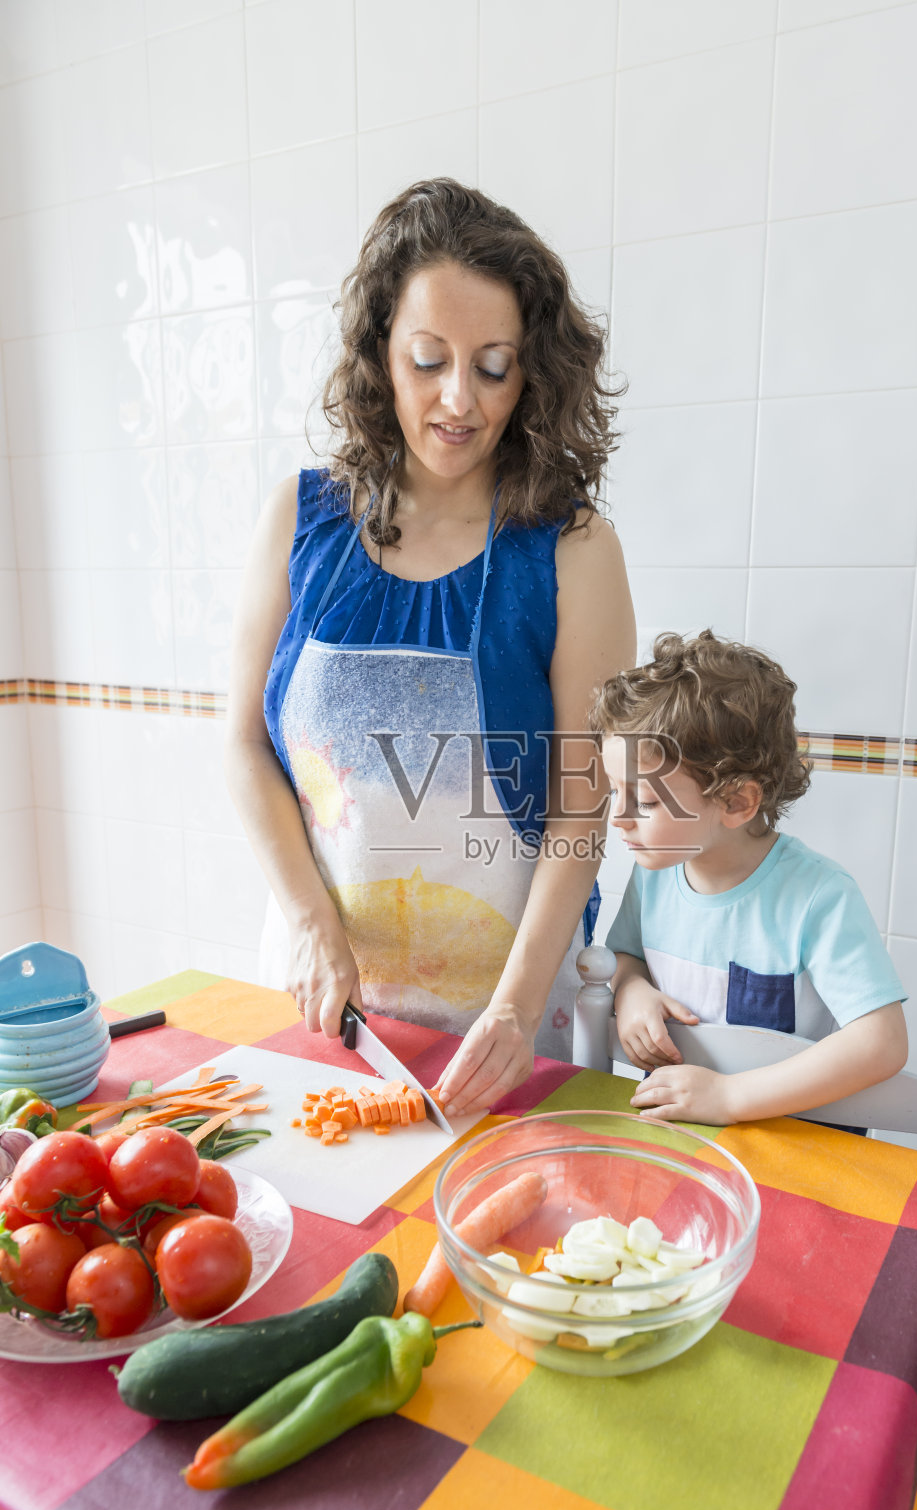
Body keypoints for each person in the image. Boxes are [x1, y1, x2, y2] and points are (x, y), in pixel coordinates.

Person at [225, 179, 635, 1116]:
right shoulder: (300, 520)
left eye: (493, 367)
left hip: (505, 1030)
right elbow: (243, 743)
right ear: (381, 353)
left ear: (533, 374)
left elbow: (583, 800)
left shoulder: (574, 551)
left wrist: (517, 1008)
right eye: (427, 359)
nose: (459, 399)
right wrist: (309, 925)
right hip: (324, 1004)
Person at [589, 631, 908, 1126]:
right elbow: (626, 956)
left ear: (736, 802)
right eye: (615, 792)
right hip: (687, 1140)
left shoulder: (818, 896)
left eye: (646, 801)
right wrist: (631, 991)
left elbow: (882, 1044)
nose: (619, 817)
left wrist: (730, 1097)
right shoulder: (655, 872)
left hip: (797, 1148)